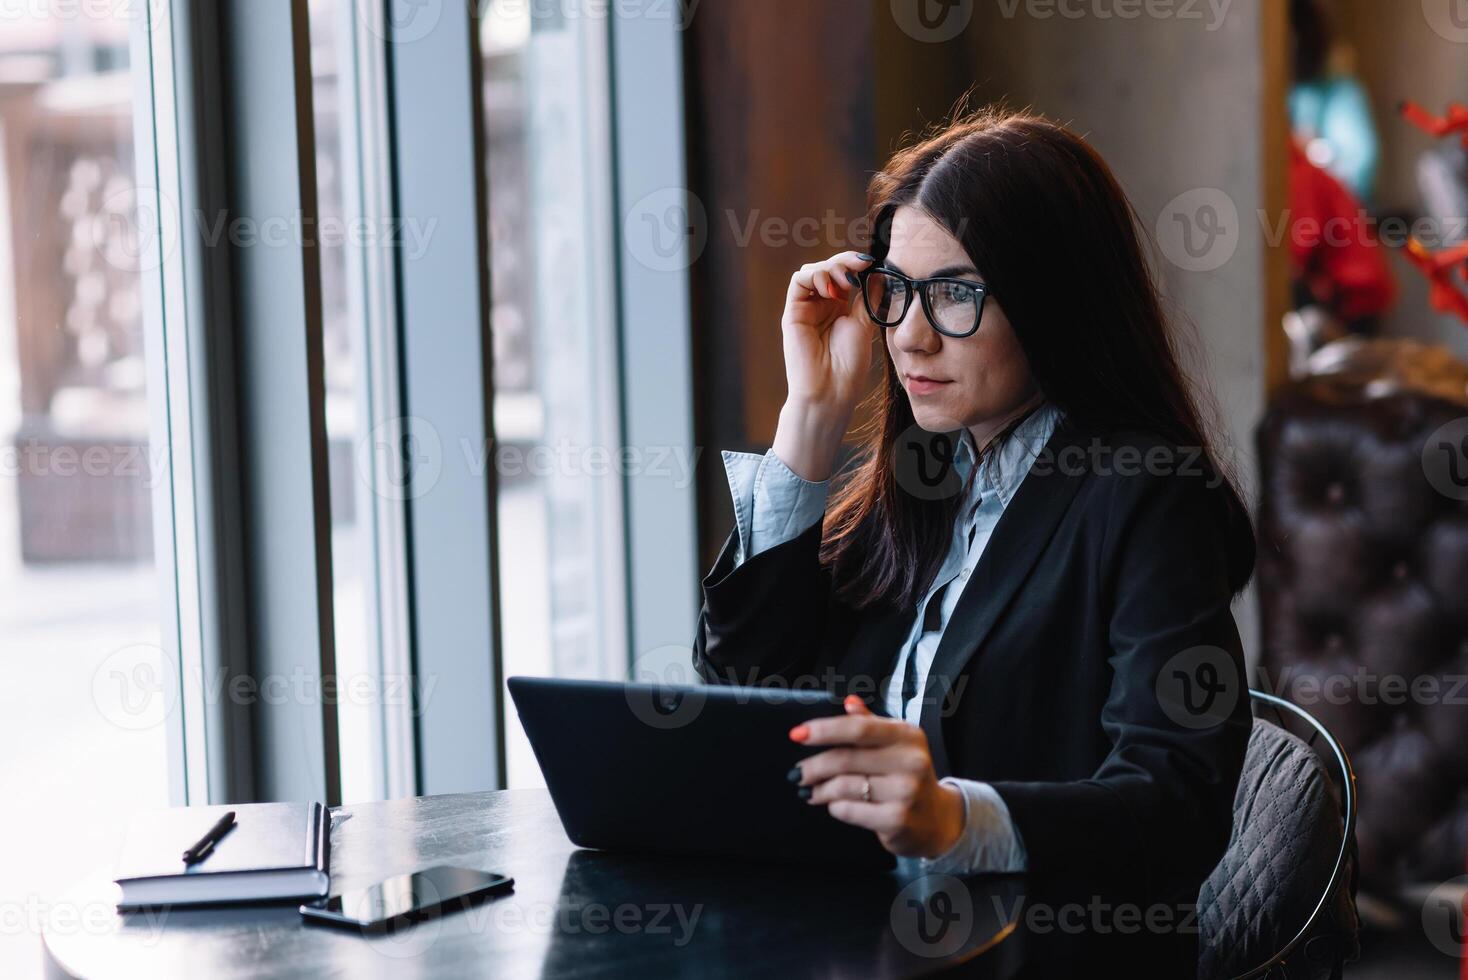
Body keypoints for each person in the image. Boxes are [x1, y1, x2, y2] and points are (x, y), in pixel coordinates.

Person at [692, 106, 1257, 973]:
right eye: (898, 290)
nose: (912, 334)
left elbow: (1179, 804)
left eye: (957, 292)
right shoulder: (927, 479)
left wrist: (954, 819)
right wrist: (810, 418)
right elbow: (747, 697)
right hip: (865, 940)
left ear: (1054, 301)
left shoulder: (1147, 495)